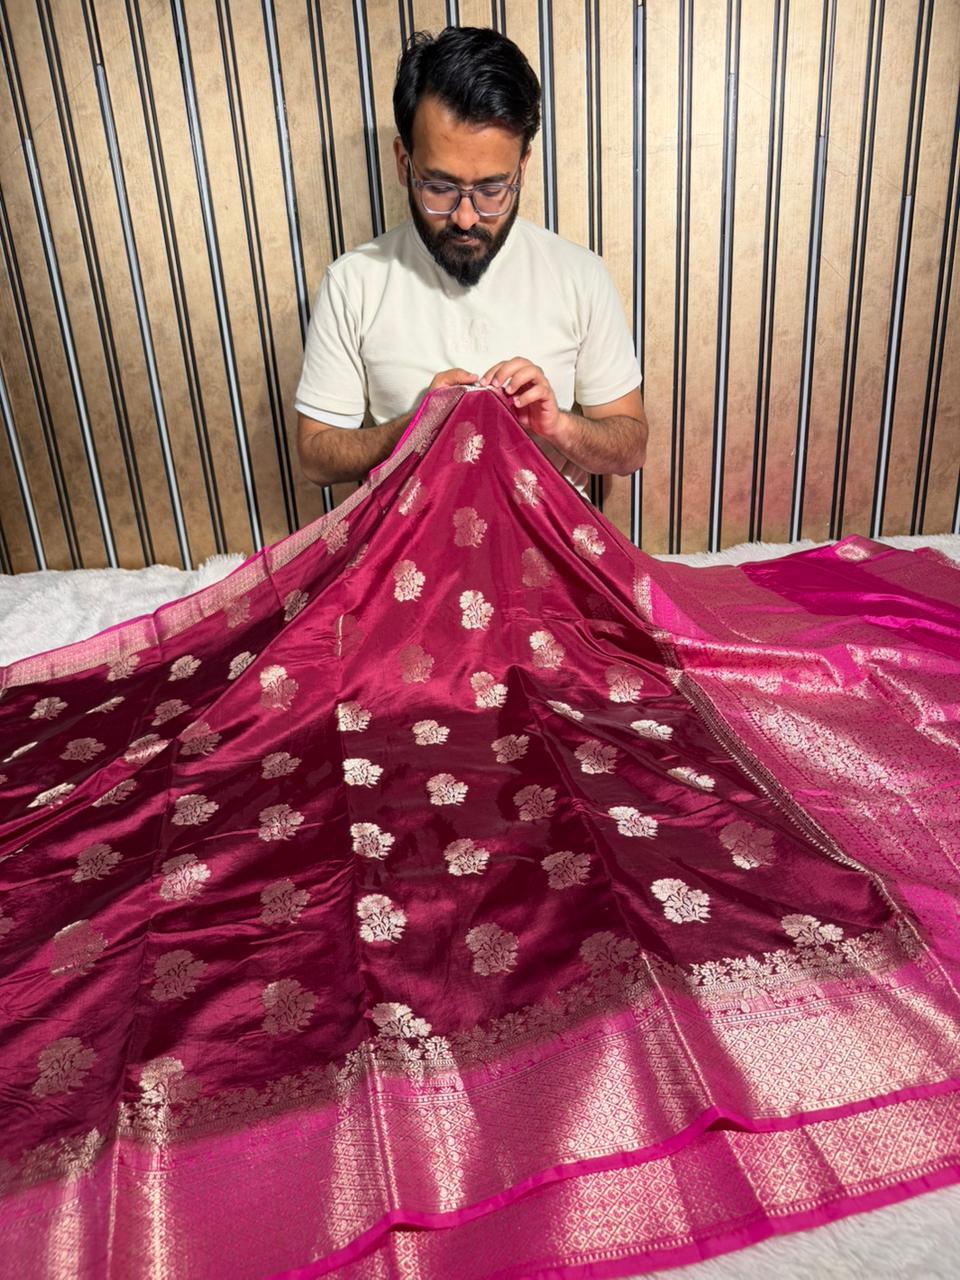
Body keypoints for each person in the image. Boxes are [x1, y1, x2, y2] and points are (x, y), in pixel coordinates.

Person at [295, 25, 647, 492]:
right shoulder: (352, 283)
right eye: (439, 187)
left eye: (491, 190)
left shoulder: (580, 275)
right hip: (411, 554)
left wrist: (557, 424)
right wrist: (415, 426)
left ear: (521, 169)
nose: (465, 217)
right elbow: (316, 458)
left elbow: (631, 447)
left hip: (549, 549)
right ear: (405, 163)